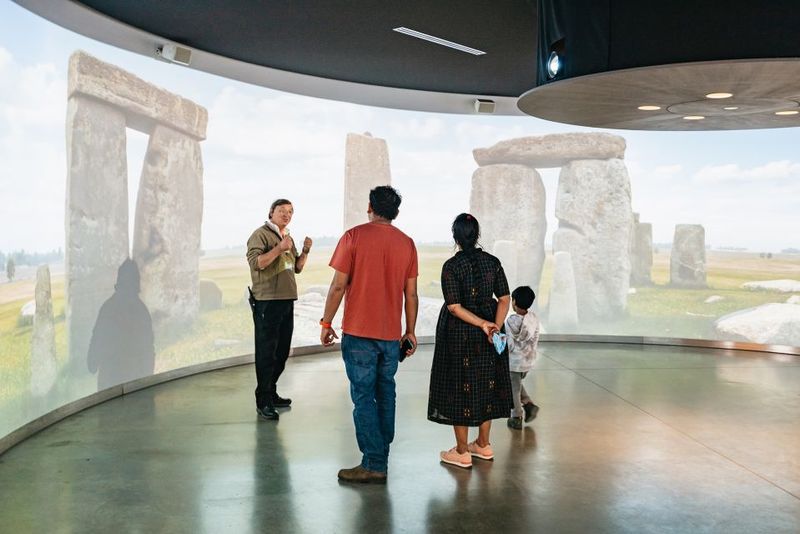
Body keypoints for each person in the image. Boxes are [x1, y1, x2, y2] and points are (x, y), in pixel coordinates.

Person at [320, 185, 419, 484]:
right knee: (385, 390)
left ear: (369, 207)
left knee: (363, 396)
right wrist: (410, 331)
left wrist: (327, 323)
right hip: (390, 336)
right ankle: (381, 451)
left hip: (359, 333)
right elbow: (411, 294)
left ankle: (374, 463)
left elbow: (338, 286)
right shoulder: (407, 243)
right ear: (396, 212)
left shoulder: (353, 237)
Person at [427, 213, 513, 469]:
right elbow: (505, 298)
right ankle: (483, 445)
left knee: (459, 386)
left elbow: (454, 306)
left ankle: (463, 451)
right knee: (487, 382)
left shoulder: (451, 266)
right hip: (490, 333)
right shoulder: (493, 262)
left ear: (455, 236)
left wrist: (481, 324)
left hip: (458, 334)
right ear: (477, 235)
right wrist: (493, 326)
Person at [246, 199, 312, 420]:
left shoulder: (287, 238)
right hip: (267, 301)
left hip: (286, 300)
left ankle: (271, 393)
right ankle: (263, 401)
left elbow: (297, 268)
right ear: (271, 212)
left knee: (281, 353)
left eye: (290, 211)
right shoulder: (260, 235)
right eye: (282, 211)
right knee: (266, 354)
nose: (287, 214)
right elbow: (257, 263)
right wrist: (278, 248)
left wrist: (304, 251)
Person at [504, 286, 540, 430]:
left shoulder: (510, 322)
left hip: (513, 362)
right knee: (516, 384)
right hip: (528, 361)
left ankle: (516, 416)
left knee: (514, 389)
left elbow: (510, 345)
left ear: (514, 302)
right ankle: (529, 405)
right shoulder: (533, 318)